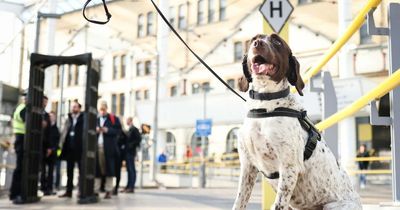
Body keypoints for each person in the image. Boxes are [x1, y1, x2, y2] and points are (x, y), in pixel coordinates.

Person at [59, 100, 84, 198]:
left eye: (75, 107)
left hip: (79, 148)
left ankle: (80, 190)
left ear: (79, 108)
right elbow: (64, 131)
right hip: (69, 148)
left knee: (81, 171)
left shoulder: (83, 118)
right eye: (72, 106)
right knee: (69, 171)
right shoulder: (68, 118)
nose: (73, 108)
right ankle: (68, 191)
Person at [95, 101, 120, 199]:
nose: (102, 111)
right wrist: (96, 130)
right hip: (97, 147)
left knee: (109, 169)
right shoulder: (96, 119)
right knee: (97, 169)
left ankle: (108, 190)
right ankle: (95, 190)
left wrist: (108, 130)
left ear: (107, 109)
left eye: (103, 109)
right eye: (100, 109)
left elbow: (118, 131)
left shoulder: (113, 119)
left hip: (109, 148)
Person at [9, 92, 26, 203]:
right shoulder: (24, 109)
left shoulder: (19, 107)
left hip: (19, 138)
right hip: (21, 138)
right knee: (20, 168)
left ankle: (14, 193)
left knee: (20, 167)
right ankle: (16, 193)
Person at [41, 109, 60, 195]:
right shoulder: (45, 128)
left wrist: (52, 149)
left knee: (51, 172)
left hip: (52, 152)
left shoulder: (56, 129)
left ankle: (50, 188)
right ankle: (43, 187)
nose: (51, 118)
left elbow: (57, 141)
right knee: (43, 171)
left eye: (53, 117)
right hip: (44, 151)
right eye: (50, 117)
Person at [121, 117, 141, 193]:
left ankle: (131, 187)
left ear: (131, 121)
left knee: (131, 170)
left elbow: (138, 139)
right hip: (128, 152)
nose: (127, 122)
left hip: (131, 152)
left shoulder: (134, 129)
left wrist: (130, 146)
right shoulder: (130, 129)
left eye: (128, 120)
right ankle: (128, 186)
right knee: (129, 170)